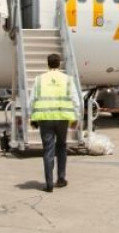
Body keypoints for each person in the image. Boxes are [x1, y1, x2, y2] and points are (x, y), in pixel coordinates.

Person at [30, 54, 79, 192]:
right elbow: (75, 99)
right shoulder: (67, 79)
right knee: (62, 146)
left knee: (48, 150)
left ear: (48, 64)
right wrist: (76, 117)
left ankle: (49, 183)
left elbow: (31, 100)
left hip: (45, 119)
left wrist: (32, 118)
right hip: (62, 118)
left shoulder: (39, 80)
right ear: (59, 64)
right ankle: (61, 178)